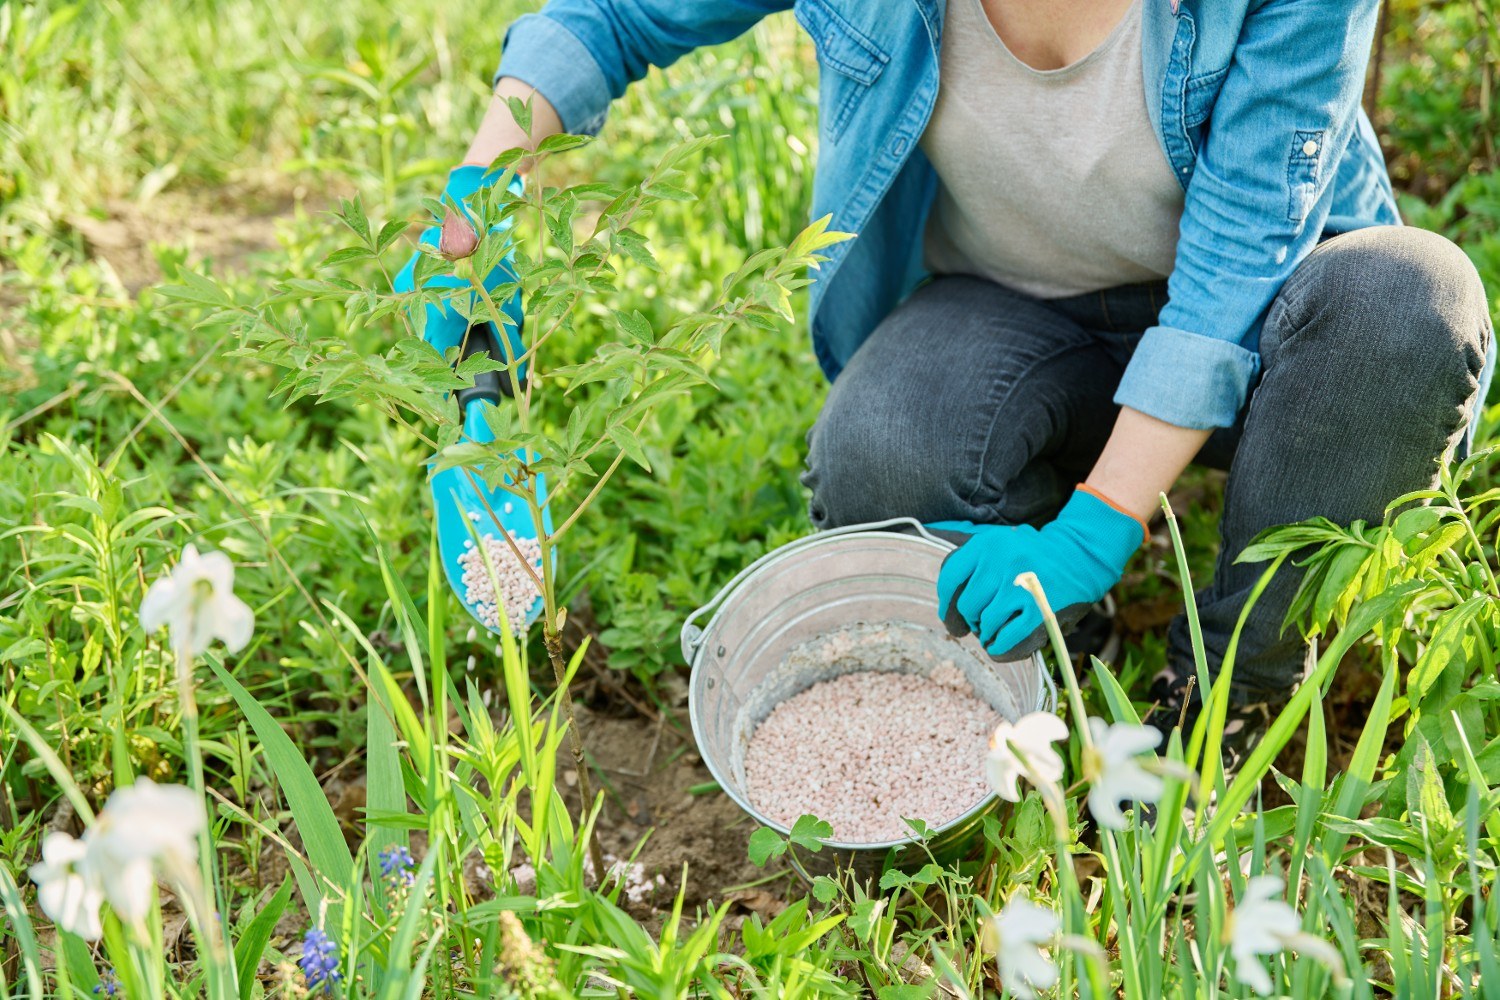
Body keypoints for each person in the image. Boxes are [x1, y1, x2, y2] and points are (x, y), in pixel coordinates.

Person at [410, 0, 1493, 764]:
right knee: (883, 446)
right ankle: (1065, 666)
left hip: (1274, 322)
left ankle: (1231, 698)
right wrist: (479, 191)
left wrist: (1097, 524)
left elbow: (1240, 258)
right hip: (1022, 307)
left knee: (1411, 306)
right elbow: (615, 14)